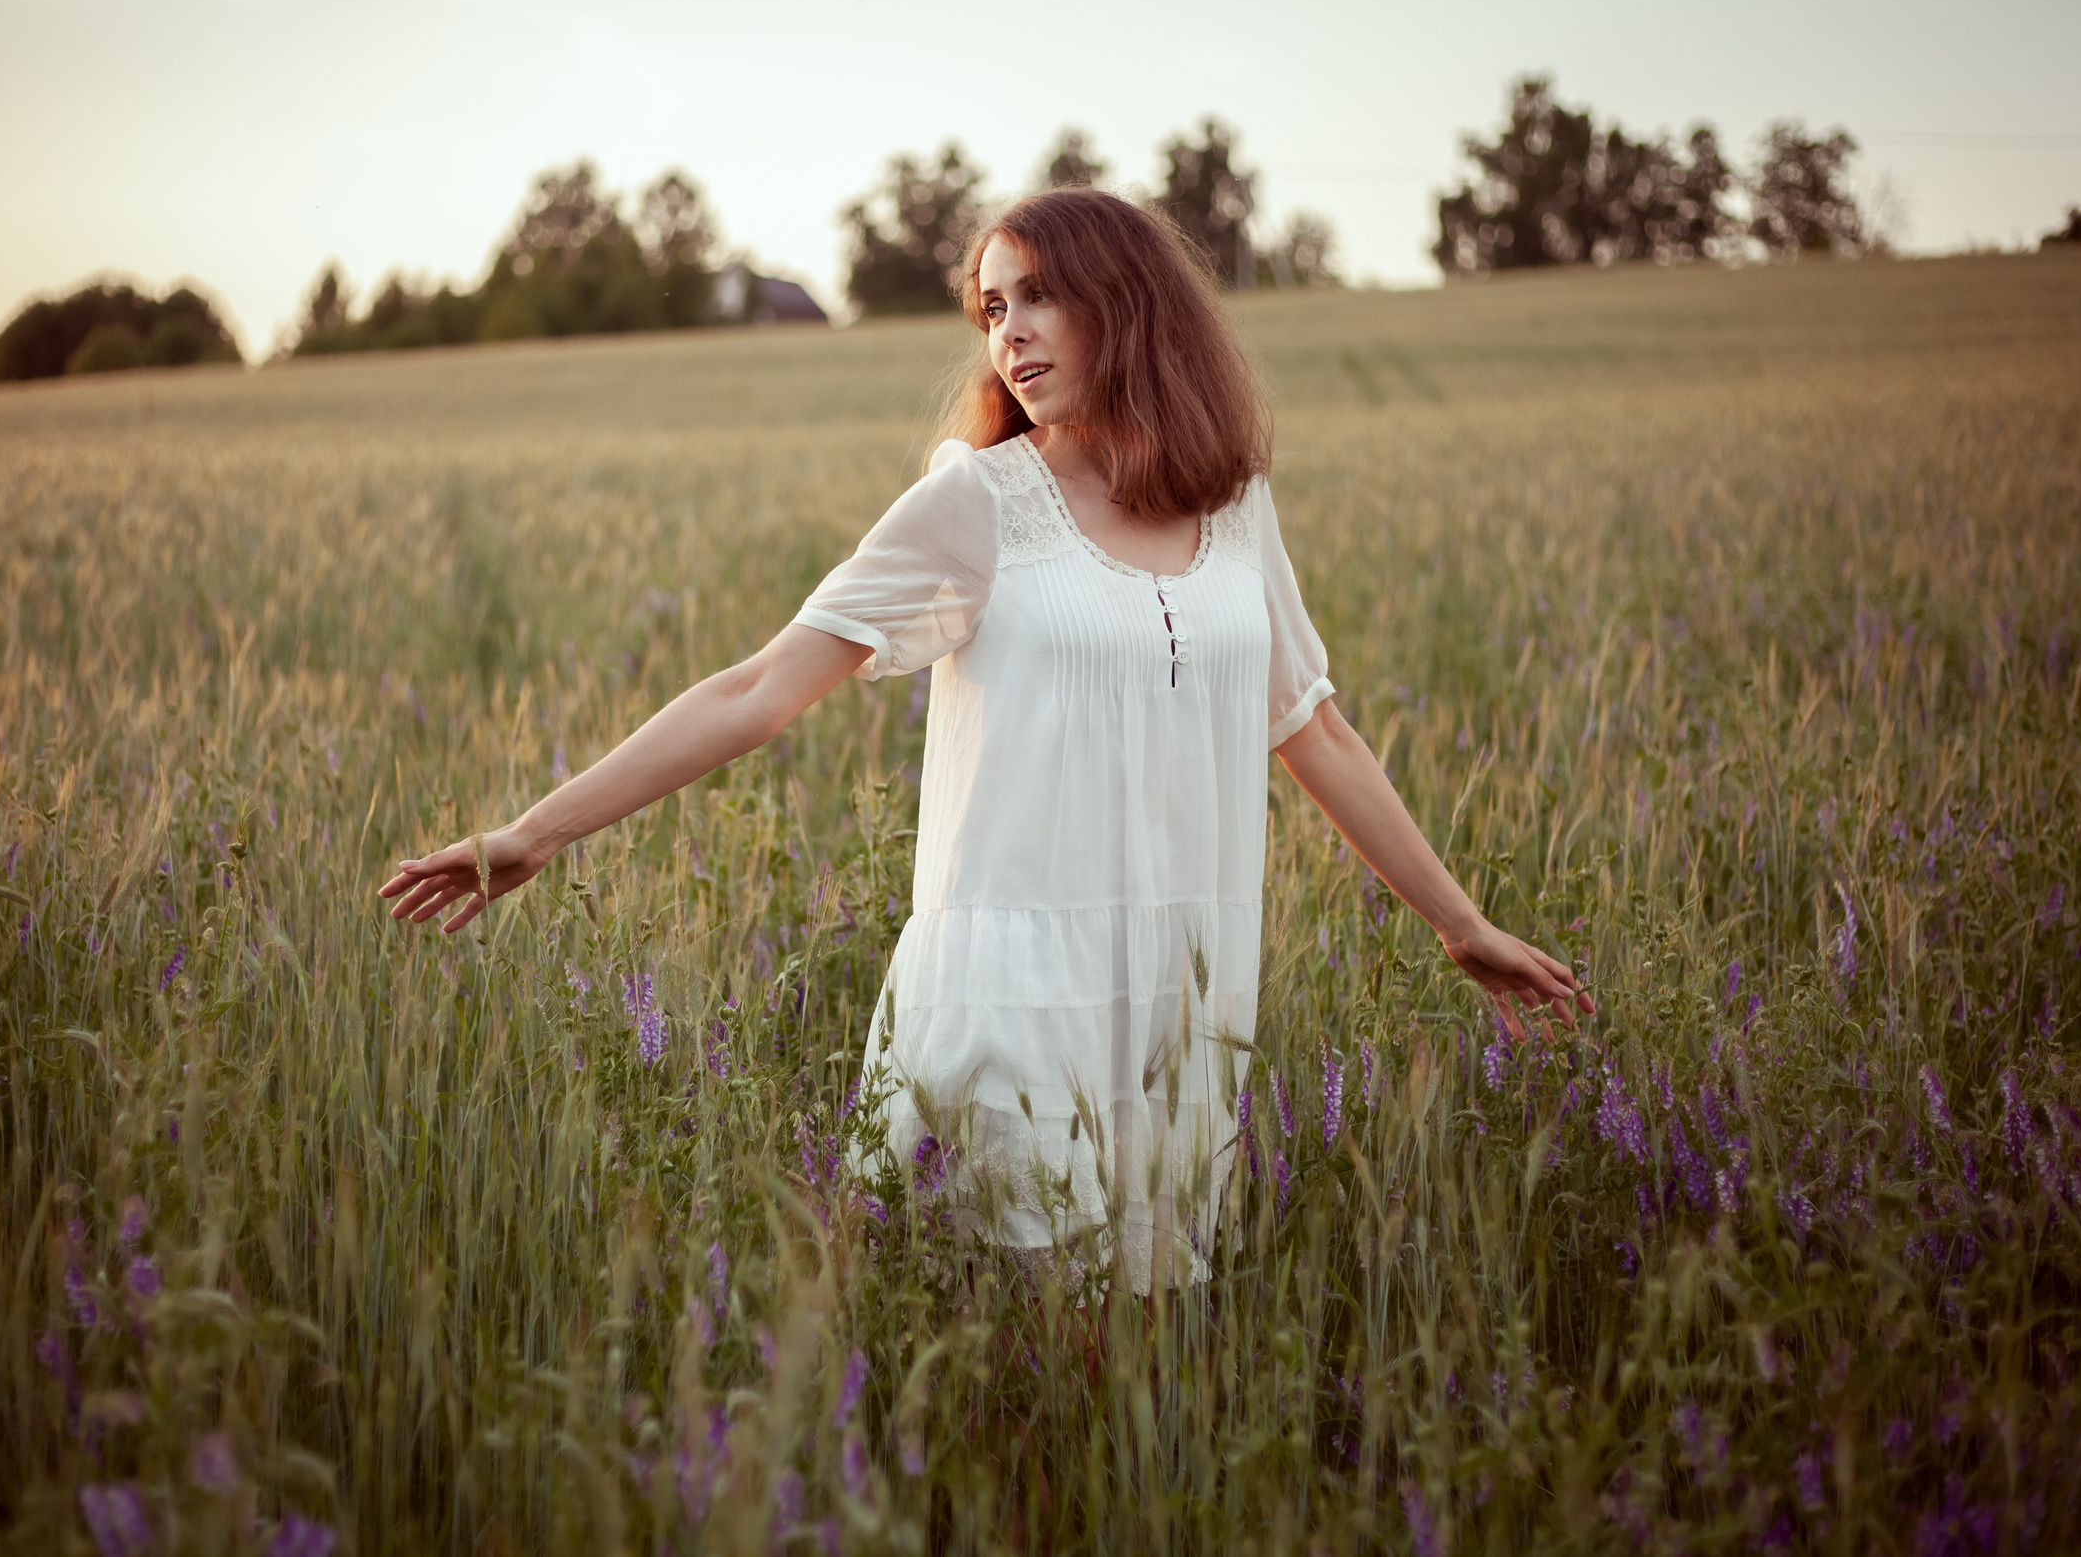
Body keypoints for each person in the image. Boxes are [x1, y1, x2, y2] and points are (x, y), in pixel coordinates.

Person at [378, 188, 1589, 1292]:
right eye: (991, 306)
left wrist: (1461, 925)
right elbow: (755, 689)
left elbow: (1313, 729)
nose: (1008, 332)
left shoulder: (1237, 507)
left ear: (1131, 308)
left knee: (1134, 1366)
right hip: (1012, 987)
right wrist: (534, 834)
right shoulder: (978, 502)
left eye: (1041, 297)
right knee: (1018, 1348)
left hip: (1180, 998)